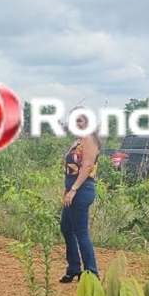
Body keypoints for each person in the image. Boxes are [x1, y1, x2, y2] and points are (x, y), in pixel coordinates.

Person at [60, 110, 100, 282]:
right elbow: (70, 168)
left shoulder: (89, 139)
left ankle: (92, 273)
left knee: (81, 232)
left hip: (82, 188)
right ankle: (74, 268)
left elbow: (87, 166)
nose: (76, 124)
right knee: (66, 228)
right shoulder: (78, 141)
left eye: (80, 120)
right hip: (73, 186)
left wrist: (74, 189)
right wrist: (67, 189)